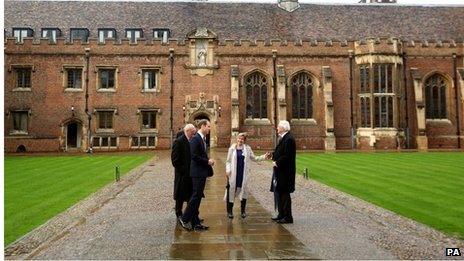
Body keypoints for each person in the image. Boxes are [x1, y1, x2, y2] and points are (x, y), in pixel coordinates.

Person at [179, 119, 214, 231]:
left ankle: (196, 222)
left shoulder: (201, 139)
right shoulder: (195, 139)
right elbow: (193, 156)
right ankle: (185, 219)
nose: (209, 128)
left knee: (198, 197)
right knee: (195, 196)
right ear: (203, 126)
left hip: (201, 172)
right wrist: (207, 161)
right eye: (208, 126)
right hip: (197, 172)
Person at [225, 133, 269, 219]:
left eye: (242, 139)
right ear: (236, 139)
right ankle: (230, 211)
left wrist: (264, 156)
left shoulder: (248, 149)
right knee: (231, 191)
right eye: (239, 138)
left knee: (244, 191)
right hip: (233, 174)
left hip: (243, 173)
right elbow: (228, 161)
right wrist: (228, 170)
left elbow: (255, 158)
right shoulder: (232, 148)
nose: (240, 140)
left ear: (244, 141)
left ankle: (243, 211)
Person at [270, 120, 296, 224]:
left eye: (278, 127)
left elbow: (287, 156)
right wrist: (272, 155)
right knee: (279, 193)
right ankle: (281, 214)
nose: (277, 128)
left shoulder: (289, 139)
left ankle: (288, 217)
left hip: (285, 172)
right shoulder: (284, 138)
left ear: (284, 128)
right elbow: (280, 152)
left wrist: (277, 163)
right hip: (281, 171)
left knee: (285, 194)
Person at [171, 124, 196, 219]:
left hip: (190, 173)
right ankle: (179, 213)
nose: (194, 134)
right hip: (182, 174)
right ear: (188, 131)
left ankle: (190, 214)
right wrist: (184, 171)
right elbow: (175, 161)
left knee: (190, 194)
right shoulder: (178, 142)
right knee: (180, 196)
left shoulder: (191, 140)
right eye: (193, 132)